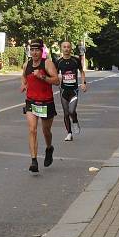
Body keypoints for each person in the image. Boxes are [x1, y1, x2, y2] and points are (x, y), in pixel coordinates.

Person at [21, 39, 60, 174]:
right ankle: (34, 161)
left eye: (37, 50)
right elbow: (24, 77)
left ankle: (49, 148)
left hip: (46, 102)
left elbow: (56, 81)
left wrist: (42, 77)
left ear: (42, 51)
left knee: (46, 131)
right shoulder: (27, 65)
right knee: (32, 130)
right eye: (32, 50)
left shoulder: (47, 64)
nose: (34, 52)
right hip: (31, 101)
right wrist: (24, 84)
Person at [55, 40, 87, 141]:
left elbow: (82, 72)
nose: (66, 49)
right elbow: (55, 76)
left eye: (68, 47)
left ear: (71, 48)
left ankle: (75, 121)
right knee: (65, 113)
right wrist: (58, 78)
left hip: (74, 90)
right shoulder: (59, 62)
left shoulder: (75, 60)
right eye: (64, 47)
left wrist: (83, 83)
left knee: (71, 111)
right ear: (61, 48)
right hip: (64, 90)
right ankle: (69, 133)